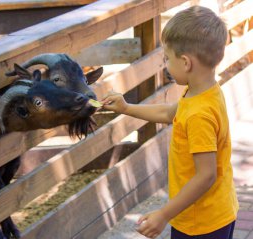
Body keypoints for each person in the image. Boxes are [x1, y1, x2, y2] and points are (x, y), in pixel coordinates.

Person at [100, 6, 239, 239]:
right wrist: (126, 108)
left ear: (185, 62)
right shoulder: (204, 93)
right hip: (214, 212)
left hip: (200, 223)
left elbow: (206, 175)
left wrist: (164, 214)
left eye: (167, 58)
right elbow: (168, 113)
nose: (165, 64)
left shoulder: (199, 114)